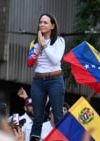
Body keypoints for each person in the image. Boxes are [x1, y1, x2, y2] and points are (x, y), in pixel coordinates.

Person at [26, 13, 66, 141]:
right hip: (38, 81)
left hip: (55, 80)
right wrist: (38, 46)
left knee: (58, 115)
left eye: (45, 22)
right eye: (40, 22)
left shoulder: (59, 41)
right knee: (37, 117)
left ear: (52, 26)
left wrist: (44, 45)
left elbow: (55, 60)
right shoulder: (34, 43)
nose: (42, 25)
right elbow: (29, 63)